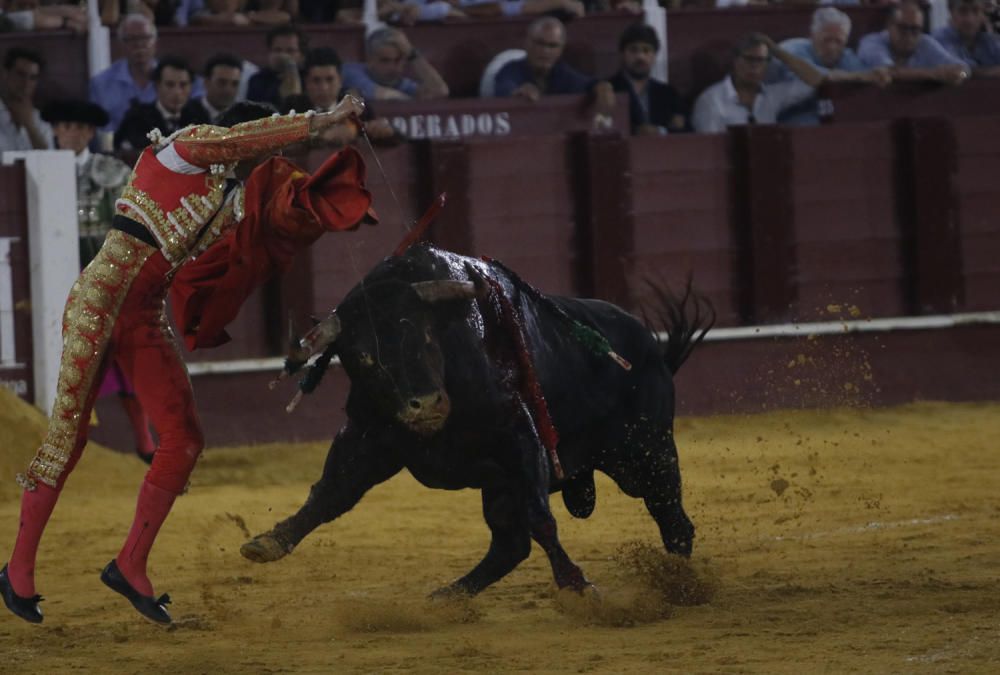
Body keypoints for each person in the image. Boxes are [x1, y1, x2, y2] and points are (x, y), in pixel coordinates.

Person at [0, 97, 374, 626]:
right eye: (250, 152)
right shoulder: (184, 148)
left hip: (144, 315)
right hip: (99, 300)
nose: (253, 165)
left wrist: (324, 198)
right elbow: (247, 142)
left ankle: (130, 564)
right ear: (238, 134)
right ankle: (17, 572)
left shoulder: (230, 197)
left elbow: (276, 215)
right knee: (69, 436)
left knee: (185, 438)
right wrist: (319, 121)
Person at [40, 99, 158, 462]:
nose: (71, 133)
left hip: (104, 279)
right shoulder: (38, 169)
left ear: (91, 133)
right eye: (65, 126)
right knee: (68, 364)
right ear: (55, 131)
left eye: (79, 127)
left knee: (119, 362)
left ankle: (143, 441)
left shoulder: (112, 172)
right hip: (50, 279)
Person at [693, 33, 842, 134]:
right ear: (735, 60)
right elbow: (711, 147)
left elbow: (816, 80)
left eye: (761, 61)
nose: (755, 67)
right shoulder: (712, 100)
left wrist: (776, 51)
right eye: (749, 59)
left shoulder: (772, 95)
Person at [767, 8, 892, 126]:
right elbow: (816, 77)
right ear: (812, 35)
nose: (832, 47)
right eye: (826, 40)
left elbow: (867, 77)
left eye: (839, 41)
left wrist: (877, 75)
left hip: (827, 116)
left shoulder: (847, 55)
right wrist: (859, 76)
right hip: (786, 116)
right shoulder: (792, 49)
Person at [858, 0, 971, 84]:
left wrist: (960, 75)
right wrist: (935, 74)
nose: (909, 35)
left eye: (915, 29)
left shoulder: (925, 42)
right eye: (903, 28)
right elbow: (888, 72)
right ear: (889, 27)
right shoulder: (872, 43)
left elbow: (964, 69)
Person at [115, 57, 209, 151]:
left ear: (191, 87)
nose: (177, 92)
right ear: (157, 86)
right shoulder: (137, 118)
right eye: (169, 85)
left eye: (183, 85)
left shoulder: (199, 117)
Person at [608, 22, 688, 135]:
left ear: (654, 56)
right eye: (633, 50)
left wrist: (660, 131)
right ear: (622, 54)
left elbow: (686, 131)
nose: (640, 57)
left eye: (646, 50)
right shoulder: (608, 89)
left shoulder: (668, 94)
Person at [342, 27, 450, 100]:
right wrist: (413, 101)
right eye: (385, 60)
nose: (393, 67)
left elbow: (440, 91)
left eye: (398, 60)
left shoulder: (400, 83)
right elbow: (381, 95)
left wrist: (412, 54)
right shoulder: (351, 72)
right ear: (369, 60)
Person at [0, 47, 52, 152]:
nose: (26, 83)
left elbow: (49, 161)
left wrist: (30, 127)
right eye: (20, 75)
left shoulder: (40, 121)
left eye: (33, 78)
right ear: (5, 74)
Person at [246, 24, 308, 109]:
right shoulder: (257, 80)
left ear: (301, 55)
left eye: (290, 51)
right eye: (277, 50)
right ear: (269, 52)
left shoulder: (308, 79)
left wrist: (291, 71)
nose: (283, 55)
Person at [933, 0, 1000, 76]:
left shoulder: (988, 41)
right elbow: (958, 72)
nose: (970, 20)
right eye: (963, 11)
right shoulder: (938, 40)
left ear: (983, 12)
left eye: (976, 11)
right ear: (951, 12)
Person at [189, 53, 244, 123]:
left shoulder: (243, 119)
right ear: (206, 82)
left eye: (235, 84)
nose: (228, 90)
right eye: (222, 82)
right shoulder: (185, 114)